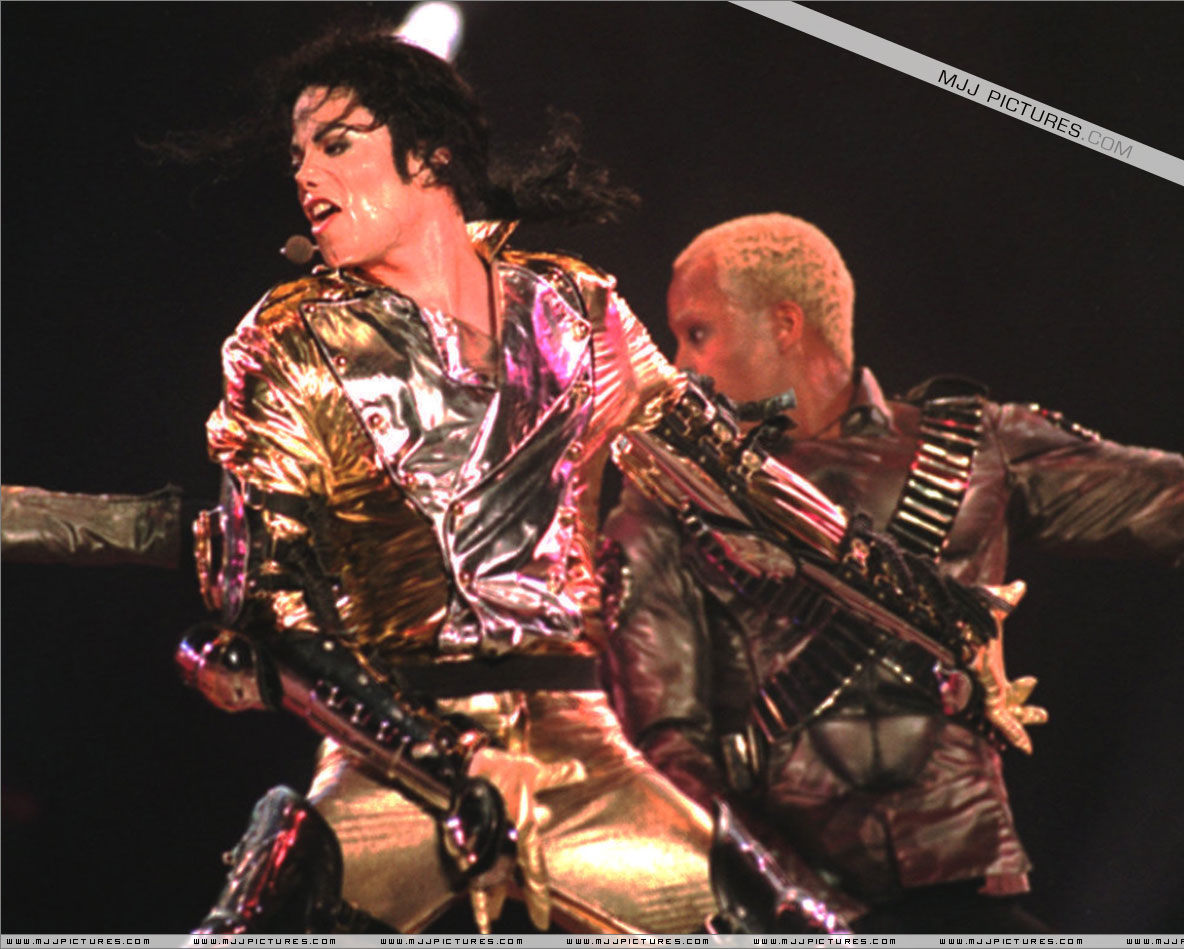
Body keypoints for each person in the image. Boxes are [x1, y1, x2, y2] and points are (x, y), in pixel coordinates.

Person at [177, 35, 886, 936]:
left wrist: (911, 593)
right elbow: (275, 615)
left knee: (796, 925)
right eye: (297, 155)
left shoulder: (577, 308)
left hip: (586, 755)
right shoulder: (287, 343)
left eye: (337, 142)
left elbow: (727, 473)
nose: (306, 173)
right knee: (268, 905)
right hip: (393, 750)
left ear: (430, 156)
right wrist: (445, 761)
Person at [600, 213, 1184, 933]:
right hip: (790, 910)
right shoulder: (669, 496)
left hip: (971, 899)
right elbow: (663, 750)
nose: (681, 365)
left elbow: (1178, 506)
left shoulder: (972, 444)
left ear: (784, 323)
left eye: (698, 332)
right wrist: (803, 911)